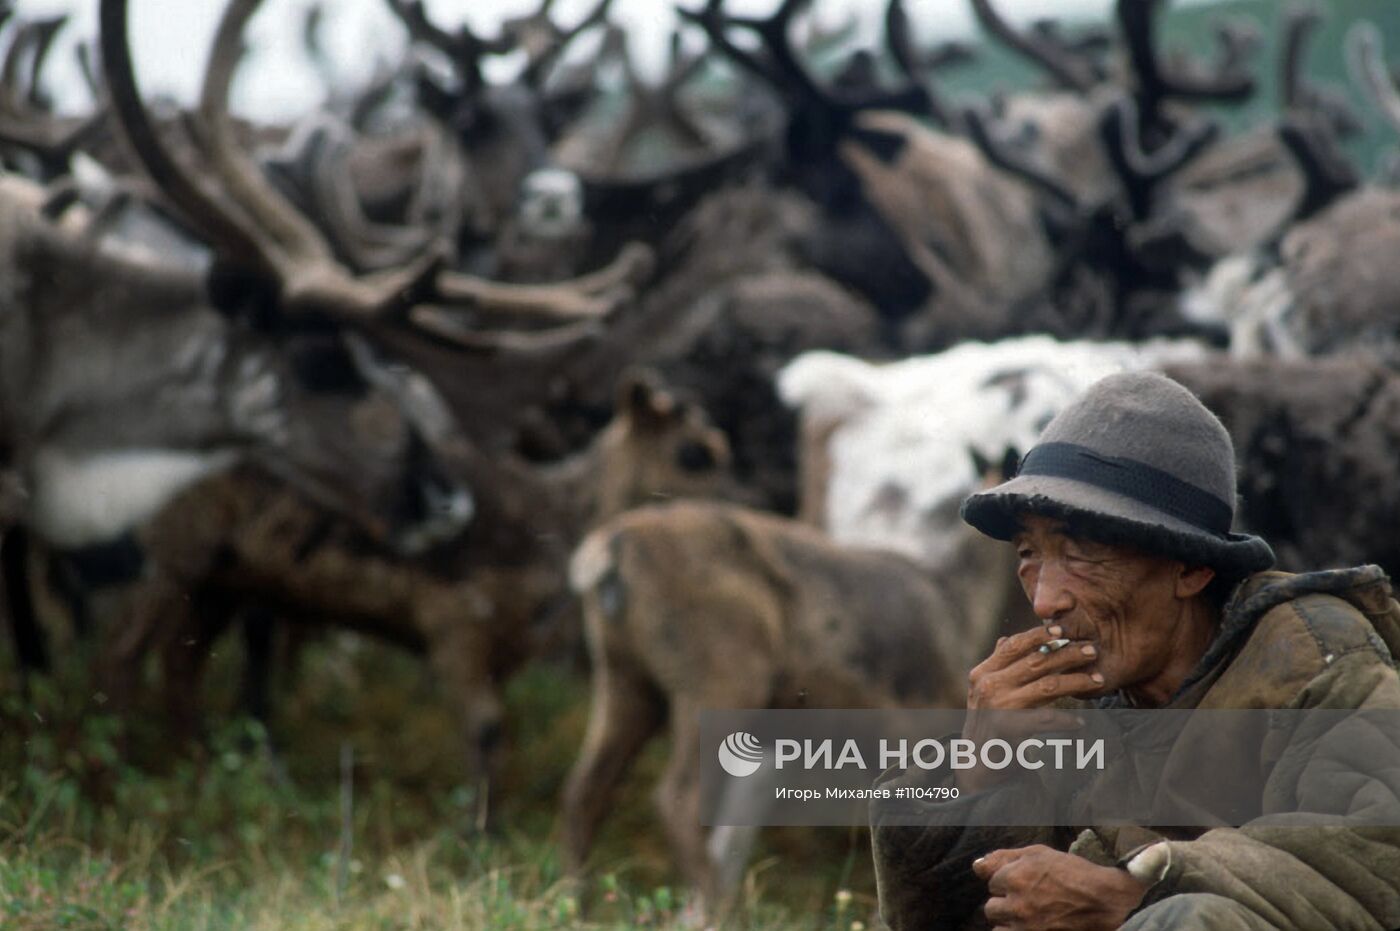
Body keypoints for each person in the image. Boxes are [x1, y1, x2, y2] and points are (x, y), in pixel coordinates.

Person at [869, 371, 1400, 930]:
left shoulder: (1317, 661)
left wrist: (1137, 892)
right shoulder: (1064, 713)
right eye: (1029, 553)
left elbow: (1378, 863)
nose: (1045, 600)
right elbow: (936, 920)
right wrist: (974, 777)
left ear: (1191, 567)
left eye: (1082, 554)